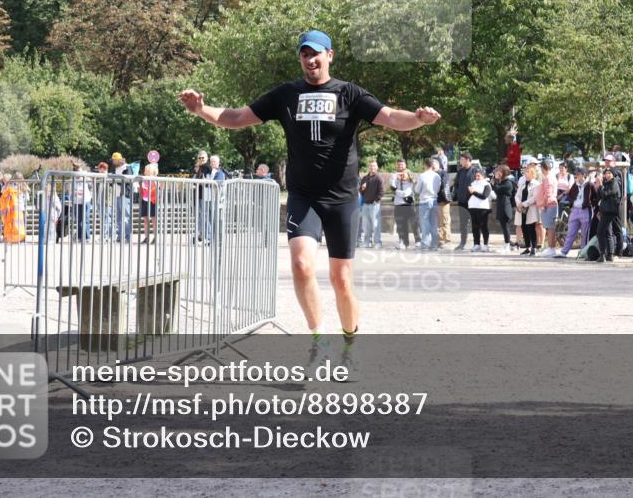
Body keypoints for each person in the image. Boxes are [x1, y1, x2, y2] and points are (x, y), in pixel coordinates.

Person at [179, 28, 440, 363]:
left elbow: (390, 117)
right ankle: (320, 340)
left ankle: (349, 345)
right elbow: (238, 117)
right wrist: (202, 110)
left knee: (341, 279)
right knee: (301, 265)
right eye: (304, 54)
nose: (310, 60)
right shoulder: (287, 94)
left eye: (316, 53)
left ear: (329, 55)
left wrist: (418, 119)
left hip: (342, 199)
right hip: (304, 197)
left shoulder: (349, 93)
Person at [558, 168, 596, 258]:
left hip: (585, 210)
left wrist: (591, 204)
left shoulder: (590, 185)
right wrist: (571, 205)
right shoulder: (575, 185)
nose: (576, 176)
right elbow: (570, 195)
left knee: (585, 233)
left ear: (584, 175)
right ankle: (564, 252)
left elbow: (595, 196)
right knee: (570, 232)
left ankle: (583, 252)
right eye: (576, 174)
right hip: (575, 210)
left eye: (578, 174)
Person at [193, 151, 225, 245]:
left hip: (211, 198)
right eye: (211, 162)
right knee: (205, 217)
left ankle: (209, 237)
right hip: (204, 197)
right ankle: (205, 236)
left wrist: (203, 183)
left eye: (214, 162)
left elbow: (214, 183)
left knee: (208, 218)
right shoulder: (204, 168)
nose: (212, 163)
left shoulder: (215, 171)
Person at [389, 160, 417, 250]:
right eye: (398, 164)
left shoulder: (410, 174)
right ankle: (403, 242)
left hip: (408, 203)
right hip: (398, 204)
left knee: (414, 224)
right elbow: (392, 186)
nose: (400, 166)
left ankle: (418, 241)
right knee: (401, 225)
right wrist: (394, 178)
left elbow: (407, 191)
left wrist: (397, 191)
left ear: (405, 165)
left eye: (402, 164)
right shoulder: (394, 174)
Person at [415, 158, 442, 251]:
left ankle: (425, 244)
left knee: (425, 223)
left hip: (424, 201)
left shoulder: (422, 176)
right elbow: (438, 189)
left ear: (425, 165)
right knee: (434, 224)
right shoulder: (437, 176)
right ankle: (434, 244)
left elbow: (417, 190)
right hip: (434, 200)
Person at [515, 160, 541, 256]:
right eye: (525, 172)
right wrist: (519, 203)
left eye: (527, 172)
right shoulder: (523, 183)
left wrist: (523, 204)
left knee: (531, 228)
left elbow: (534, 198)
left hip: (530, 208)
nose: (526, 174)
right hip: (521, 209)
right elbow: (517, 195)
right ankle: (527, 247)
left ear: (532, 174)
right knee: (524, 227)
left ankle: (534, 247)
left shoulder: (536, 184)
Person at [596, 167, 622, 263]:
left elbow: (605, 194)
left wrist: (600, 185)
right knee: (607, 232)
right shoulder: (607, 183)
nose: (607, 175)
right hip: (606, 211)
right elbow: (601, 197)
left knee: (600, 231)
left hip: (610, 212)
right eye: (606, 173)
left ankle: (602, 253)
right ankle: (610, 254)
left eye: (609, 173)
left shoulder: (614, 183)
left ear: (613, 174)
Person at [536, 160, 560, 257]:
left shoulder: (548, 178)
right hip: (551, 204)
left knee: (550, 228)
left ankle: (551, 248)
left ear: (543, 168)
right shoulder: (551, 177)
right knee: (550, 227)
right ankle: (551, 248)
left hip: (549, 204)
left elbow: (548, 194)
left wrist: (544, 204)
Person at [467, 166, 493, 251]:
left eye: (479, 176)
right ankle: (476, 244)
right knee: (475, 227)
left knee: (483, 226)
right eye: (476, 176)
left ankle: (485, 244)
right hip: (473, 207)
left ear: (483, 176)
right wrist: (471, 192)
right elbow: (468, 194)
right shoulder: (473, 183)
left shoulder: (486, 184)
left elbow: (484, 196)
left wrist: (473, 192)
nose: (477, 177)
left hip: (483, 208)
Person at [359, 160, 384, 249]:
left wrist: (376, 201)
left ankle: (377, 242)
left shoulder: (379, 178)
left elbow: (381, 192)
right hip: (365, 204)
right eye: (371, 166)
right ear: (368, 167)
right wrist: (362, 188)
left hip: (374, 205)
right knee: (366, 225)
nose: (372, 167)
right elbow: (360, 192)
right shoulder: (365, 178)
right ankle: (367, 242)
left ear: (377, 167)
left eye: (374, 166)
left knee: (376, 225)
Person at [453, 152, 475, 251]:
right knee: (463, 224)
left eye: (462, 159)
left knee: (475, 223)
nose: (460, 161)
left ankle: (476, 243)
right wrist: (457, 194)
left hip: (472, 202)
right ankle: (462, 243)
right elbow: (456, 184)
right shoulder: (460, 171)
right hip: (462, 201)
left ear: (467, 160)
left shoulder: (475, 171)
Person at [491, 165, 516, 252]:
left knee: (505, 227)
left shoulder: (507, 183)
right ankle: (508, 244)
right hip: (501, 205)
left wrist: (495, 181)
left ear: (503, 172)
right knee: (504, 226)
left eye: (499, 171)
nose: (497, 172)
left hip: (505, 206)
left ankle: (507, 245)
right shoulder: (502, 182)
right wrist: (495, 180)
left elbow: (497, 189)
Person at [435, 148, 451, 247]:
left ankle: (445, 239)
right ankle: (440, 239)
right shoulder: (432, 174)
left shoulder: (443, 173)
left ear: (439, 164)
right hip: (434, 201)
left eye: (435, 163)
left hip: (443, 200)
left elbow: (444, 186)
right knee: (438, 221)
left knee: (444, 220)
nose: (433, 165)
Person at [139, 162, 158, 245]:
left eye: (147, 170)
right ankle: (146, 237)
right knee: (145, 220)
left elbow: (156, 190)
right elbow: (141, 190)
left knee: (154, 220)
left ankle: (155, 237)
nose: (145, 171)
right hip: (145, 200)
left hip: (153, 201)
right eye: (145, 170)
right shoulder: (144, 179)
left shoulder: (155, 180)